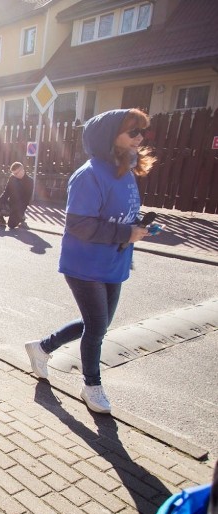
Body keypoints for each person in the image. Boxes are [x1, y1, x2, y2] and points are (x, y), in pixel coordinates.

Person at [25, 108, 160, 414]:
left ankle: (42, 347)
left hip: (114, 260)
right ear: (110, 138)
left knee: (95, 324)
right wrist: (128, 231)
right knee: (97, 327)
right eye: (133, 132)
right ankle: (91, 386)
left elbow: (117, 214)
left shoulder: (125, 171)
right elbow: (79, 225)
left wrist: (139, 226)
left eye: (142, 132)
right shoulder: (89, 175)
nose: (140, 138)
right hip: (84, 264)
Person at [0, 161, 34, 229]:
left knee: (11, 225)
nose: (15, 175)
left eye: (16, 173)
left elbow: (26, 200)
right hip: (10, 202)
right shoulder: (12, 178)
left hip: (19, 207)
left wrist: (16, 211)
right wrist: (0, 203)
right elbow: (6, 192)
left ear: (22, 170)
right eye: (13, 174)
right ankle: (2, 221)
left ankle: (22, 217)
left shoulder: (29, 181)